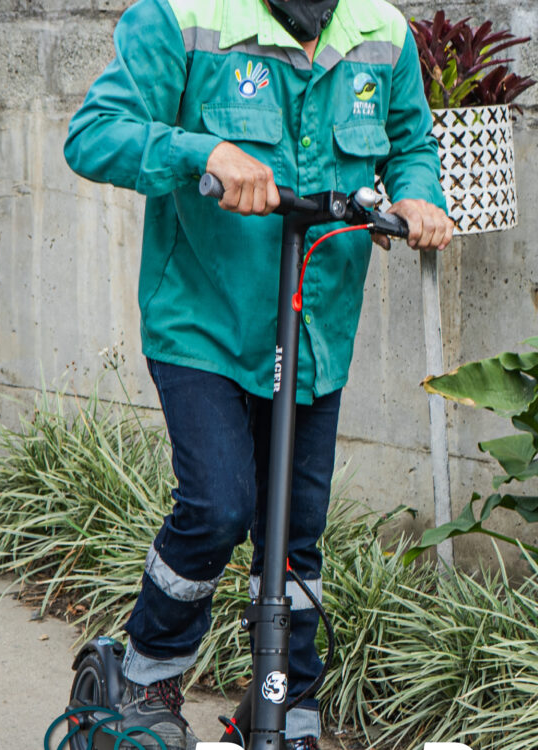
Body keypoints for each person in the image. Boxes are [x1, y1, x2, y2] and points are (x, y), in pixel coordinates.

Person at [64, 0, 452, 747]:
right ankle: (147, 676)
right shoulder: (182, 17)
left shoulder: (382, 31)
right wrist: (202, 152)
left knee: (296, 531)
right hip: (202, 322)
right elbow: (95, 134)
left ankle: (285, 710)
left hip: (314, 327)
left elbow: (411, 143)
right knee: (219, 506)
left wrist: (417, 193)